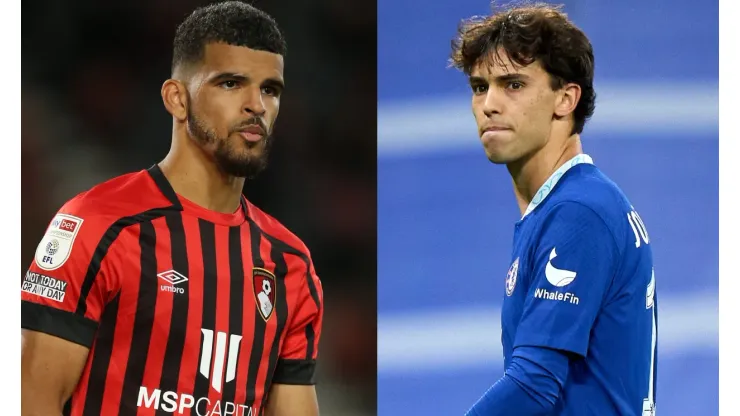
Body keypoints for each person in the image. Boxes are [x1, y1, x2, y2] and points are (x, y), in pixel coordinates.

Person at [20, 2, 323, 415]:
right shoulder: (98, 226)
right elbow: (29, 396)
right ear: (177, 99)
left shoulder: (289, 265)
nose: (257, 105)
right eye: (231, 83)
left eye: (270, 89)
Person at [449, 4, 657, 415]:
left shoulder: (578, 213)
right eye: (479, 87)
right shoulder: (566, 206)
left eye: (512, 84)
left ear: (565, 99)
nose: (489, 104)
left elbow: (533, 385)